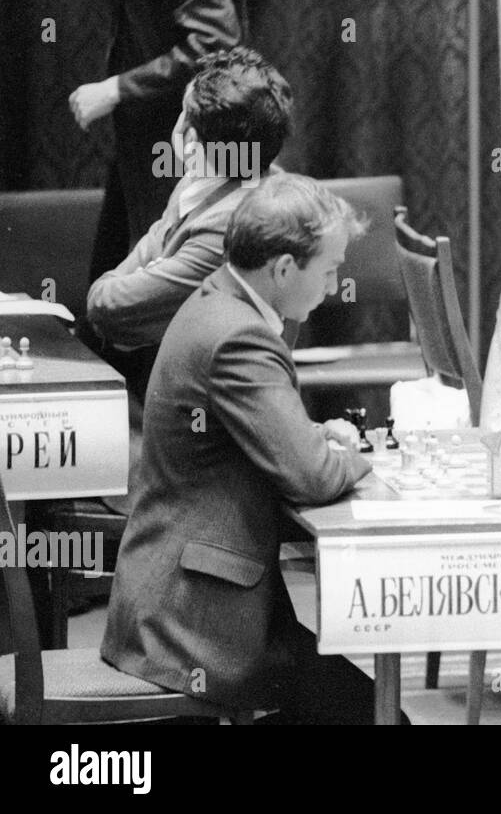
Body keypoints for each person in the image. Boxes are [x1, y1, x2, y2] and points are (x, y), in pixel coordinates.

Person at [100, 174, 386, 723]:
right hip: (194, 625)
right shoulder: (240, 336)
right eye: (328, 270)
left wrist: (311, 437)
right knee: (376, 715)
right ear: (282, 269)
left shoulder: (218, 298)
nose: (333, 286)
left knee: (367, 707)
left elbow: (264, 438)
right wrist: (360, 453)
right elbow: (311, 477)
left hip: (184, 596)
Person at [27, 0, 249, 281]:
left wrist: (117, 89)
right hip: (156, 138)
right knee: (116, 289)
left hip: (180, 142)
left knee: (144, 296)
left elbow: (217, 44)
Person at [84, 46, 291, 409]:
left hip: (213, 417)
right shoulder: (212, 178)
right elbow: (154, 243)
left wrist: (134, 278)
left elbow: (108, 308)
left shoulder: (231, 226)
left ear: (191, 141)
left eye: (181, 114)